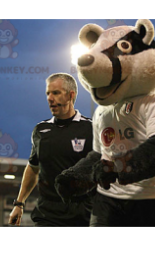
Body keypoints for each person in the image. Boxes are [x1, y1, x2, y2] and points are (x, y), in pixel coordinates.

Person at [8, 73, 94, 227]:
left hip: (83, 216)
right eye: (48, 93)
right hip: (48, 215)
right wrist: (19, 204)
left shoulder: (91, 129)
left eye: (56, 93)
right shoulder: (41, 131)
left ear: (70, 95)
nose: (49, 98)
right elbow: (33, 168)